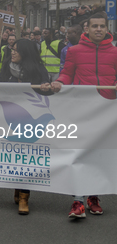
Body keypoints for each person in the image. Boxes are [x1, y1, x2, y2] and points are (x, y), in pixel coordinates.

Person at [51, 13, 117, 218]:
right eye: (94, 26)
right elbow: (66, 73)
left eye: (102, 26)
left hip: (106, 112)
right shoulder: (74, 51)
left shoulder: (115, 52)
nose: (98, 29)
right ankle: (78, 201)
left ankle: (93, 197)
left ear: (107, 29)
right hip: (80, 109)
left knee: (98, 156)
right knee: (78, 154)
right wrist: (59, 82)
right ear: (86, 29)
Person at [0, 39, 52, 215]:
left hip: (29, 117)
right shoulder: (6, 67)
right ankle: (17, 189)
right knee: (12, 155)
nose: (13, 52)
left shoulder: (38, 70)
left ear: (26, 52)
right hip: (8, 117)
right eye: (12, 49)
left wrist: (47, 88)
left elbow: (45, 93)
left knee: (25, 156)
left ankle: (24, 196)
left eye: (16, 50)